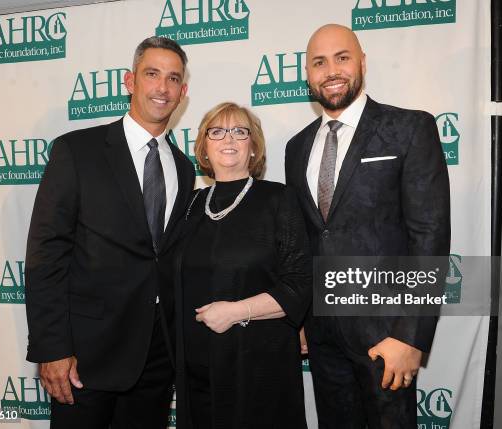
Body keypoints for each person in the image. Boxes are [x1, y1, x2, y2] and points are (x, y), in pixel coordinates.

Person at [24, 36, 195, 429]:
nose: (162, 88)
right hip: (85, 360)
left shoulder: (185, 170)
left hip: (156, 361)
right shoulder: (76, 152)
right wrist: (52, 349)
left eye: (173, 79)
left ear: (183, 92)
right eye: (152, 74)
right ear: (129, 81)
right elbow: (45, 255)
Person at [285, 24, 451, 429]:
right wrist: (302, 319)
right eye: (318, 62)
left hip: (387, 335)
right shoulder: (296, 147)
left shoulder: (409, 129)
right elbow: (308, 240)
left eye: (342, 57)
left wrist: (410, 336)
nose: (331, 71)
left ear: (362, 62)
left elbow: (429, 236)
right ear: (308, 73)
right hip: (323, 339)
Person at [161, 102, 312, 429]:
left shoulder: (279, 200)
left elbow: (299, 286)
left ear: (254, 146)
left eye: (239, 131)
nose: (228, 139)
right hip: (196, 371)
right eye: (216, 132)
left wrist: (235, 311)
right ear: (203, 146)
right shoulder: (191, 204)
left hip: (258, 369)